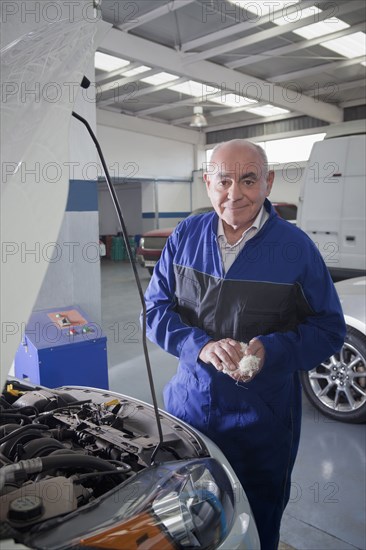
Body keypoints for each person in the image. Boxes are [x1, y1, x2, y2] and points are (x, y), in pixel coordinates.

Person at [143, 139, 346, 549]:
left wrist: (274, 350)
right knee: (187, 520)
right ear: (208, 183)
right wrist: (198, 345)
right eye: (224, 181)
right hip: (191, 413)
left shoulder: (296, 249)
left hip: (262, 422)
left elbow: (329, 329)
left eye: (248, 180)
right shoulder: (186, 235)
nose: (234, 194)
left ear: (268, 182)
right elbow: (155, 311)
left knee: (256, 521)